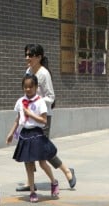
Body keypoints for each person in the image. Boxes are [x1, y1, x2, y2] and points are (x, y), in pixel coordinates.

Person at [16, 44, 76, 193]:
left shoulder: (44, 74)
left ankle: (67, 170)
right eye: (26, 55)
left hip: (43, 117)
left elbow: (51, 97)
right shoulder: (28, 71)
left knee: (43, 150)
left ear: (39, 57)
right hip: (29, 118)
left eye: (30, 55)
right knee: (28, 151)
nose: (27, 58)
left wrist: (37, 102)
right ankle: (31, 184)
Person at [6, 74, 60, 204]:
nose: (28, 89)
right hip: (25, 134)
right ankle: (32, 191)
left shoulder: (40, 101)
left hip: (36, 133)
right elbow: (18, 118)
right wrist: (11, 133)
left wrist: (31, 114)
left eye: (31, 87)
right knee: (29, 164)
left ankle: (53, 182)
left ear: (36, 87)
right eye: (25, 87)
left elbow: (44, 120)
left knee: (42, 162)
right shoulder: (20, 102)